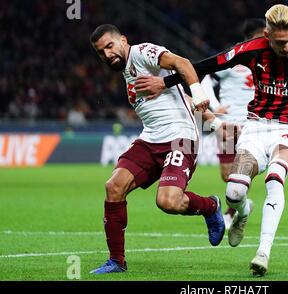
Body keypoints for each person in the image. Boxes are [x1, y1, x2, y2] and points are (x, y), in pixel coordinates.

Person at [137, 4, 288, 276]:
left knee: (274, 177)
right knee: (234, 191)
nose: (286, 47)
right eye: (280, 41)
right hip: (257, 127)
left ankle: (263, 252)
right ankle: (243, 212)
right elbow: (206, 65)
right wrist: (165, 83)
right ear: (267, 34)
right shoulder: (250, 50)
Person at [89, 24, 226, 274]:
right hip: (150, 138)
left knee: (168, 202)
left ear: (123, 40)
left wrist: (198, 94)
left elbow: (183, 63)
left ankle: (210, 207)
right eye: (101, 52)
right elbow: (175, 96)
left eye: (110, 46)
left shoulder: (142, 52)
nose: (107, 54)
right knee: (114, 187)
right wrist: (212, 120)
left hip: (179, 138)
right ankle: (116, 261)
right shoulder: (127, 72)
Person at [201, 18, 266, 229]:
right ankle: (244, 204)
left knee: (245, 166)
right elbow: (205, 77)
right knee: (226, 174)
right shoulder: (235, 56)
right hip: (227, 123)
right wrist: (214, 105)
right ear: (252, 37)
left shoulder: (268, 58)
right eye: (263, 35)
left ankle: (231, 212)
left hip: (252, 122)